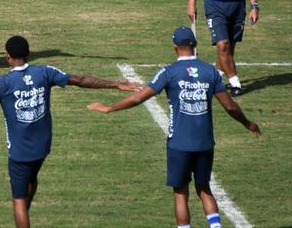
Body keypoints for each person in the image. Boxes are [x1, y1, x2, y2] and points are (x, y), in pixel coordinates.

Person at [0, 35, 139, 228]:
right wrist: (115, 84)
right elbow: (80, 80)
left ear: (8, 56)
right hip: (43, 147)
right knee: (31, 182)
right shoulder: (45, 72)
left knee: (18, 200)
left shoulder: (4, 83)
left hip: (20, 152)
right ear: (28, 54)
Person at [87, 26, 261, 228]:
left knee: (180, 192)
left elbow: (138, 97)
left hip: (179, 143)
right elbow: (230, 106)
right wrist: (248, 123)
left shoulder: (168, 72)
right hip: (205, 142)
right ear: (195, 45)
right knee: (204, 188)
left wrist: (109, 108)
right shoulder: (210, 71)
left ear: (174, 48)